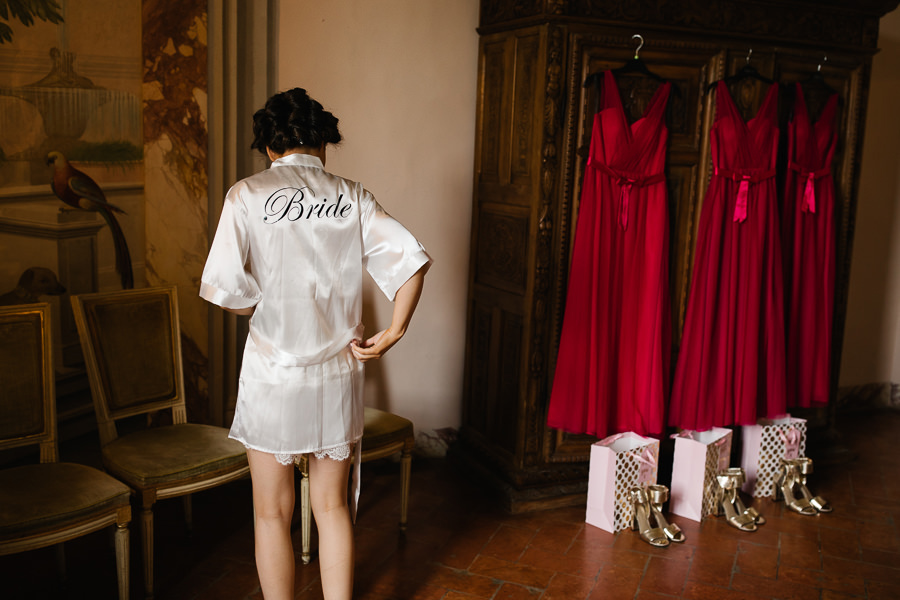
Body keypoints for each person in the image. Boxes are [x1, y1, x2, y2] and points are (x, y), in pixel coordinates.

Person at [199, 87, 431, 600]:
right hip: (336, 374)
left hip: (270, 374)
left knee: (271, 512)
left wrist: (261, 303)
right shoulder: (350, 195)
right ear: (323, 143)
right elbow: (412, 259)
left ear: (268, 147)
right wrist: (392, 333)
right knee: (331, 508)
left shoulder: (246, 195)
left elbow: (225, 292)